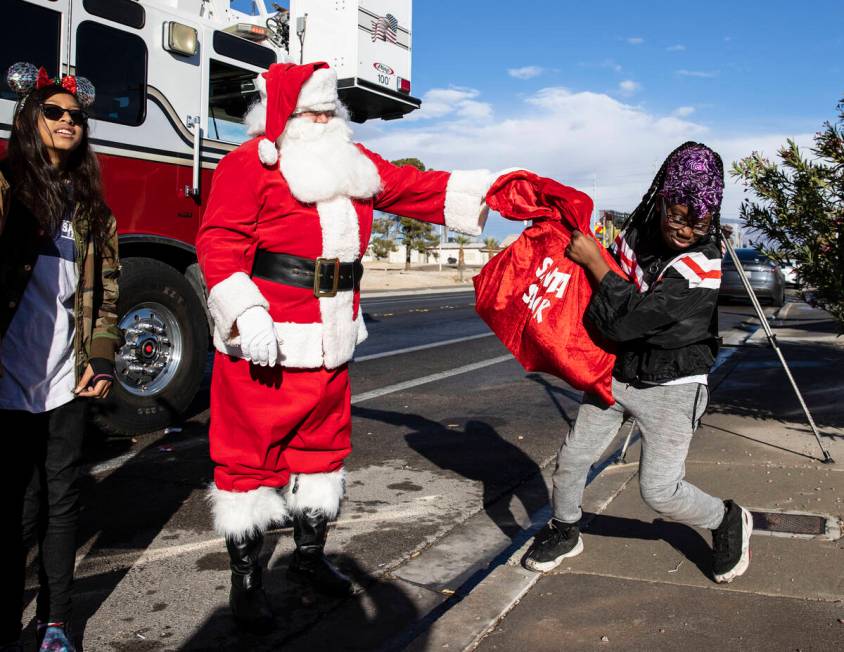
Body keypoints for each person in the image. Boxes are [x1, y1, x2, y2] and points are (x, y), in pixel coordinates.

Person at [196, 61, 508, 633]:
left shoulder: (356, 166)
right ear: (283, 117)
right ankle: (246, 582)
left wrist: (505, 191)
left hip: (332, 335)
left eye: (329, 111)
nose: (324, 119)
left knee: (322, 451)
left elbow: (421, 189)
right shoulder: (249, 164)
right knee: (249, 459)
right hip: (267, 337)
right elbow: (218, 239)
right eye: (312, 112)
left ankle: (309, 562)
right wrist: (244, 311)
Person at [523, 142, 753, 584]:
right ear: (663, 199)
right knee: (572, 459)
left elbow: (630, 322)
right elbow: (607, 306)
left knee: (659, 492)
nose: (686, 229)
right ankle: (565, 529)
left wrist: (595, 262)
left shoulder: (704, 264)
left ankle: (725, 519)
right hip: (617, 374)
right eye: (678, 216)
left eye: (699, 221)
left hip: (675, 386)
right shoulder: (635, 233)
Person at [0, 64, 121, 652]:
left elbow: (106, 295)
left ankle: (56, 621)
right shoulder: (5, 188)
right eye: (55, 112)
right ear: (31, 118)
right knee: (17, 505)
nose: (69, 121)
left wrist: (100, 360)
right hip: (6, 375)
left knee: (62, 500)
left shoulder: (94, 212)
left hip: (66, 377)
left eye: (76, 116)